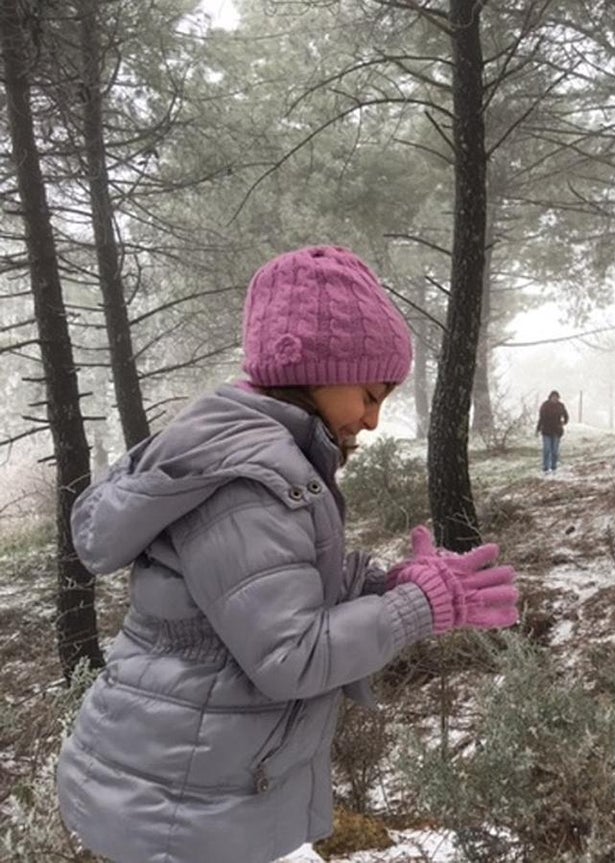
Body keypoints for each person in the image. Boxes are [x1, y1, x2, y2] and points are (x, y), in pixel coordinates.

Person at [55, 247, 520, 863]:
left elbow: (264, 606)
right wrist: (416, 609)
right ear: (314, 369)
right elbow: (289, 655)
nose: (374, 420)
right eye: (370, 393)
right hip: (180, 812)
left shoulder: (264, 455)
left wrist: (387, 587)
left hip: (185, 788)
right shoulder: (247, 483)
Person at [536, 389, 569, 473]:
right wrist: (538, 428)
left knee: (554, 450)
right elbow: (541, 418)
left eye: (556, 397)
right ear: (550, 397)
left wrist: (564, 422)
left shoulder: (560, 406)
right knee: (547, 449)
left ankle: (554, 466)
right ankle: (545, 466)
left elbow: (566, 415)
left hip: (557, 431)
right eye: (553, 397)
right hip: (546, 431)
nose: (554, 399)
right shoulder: (545, 405)